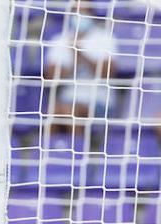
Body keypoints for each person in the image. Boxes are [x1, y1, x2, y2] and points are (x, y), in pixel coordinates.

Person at [46, 0, 115, 139]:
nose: (79, 15)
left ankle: (77, 155)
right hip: (67, 99)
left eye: (84, 11)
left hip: (98, 101)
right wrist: (72, 60)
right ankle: (49, 155)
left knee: (69, 112)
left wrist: (80, 53)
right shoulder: (59, 40)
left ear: (91, 14)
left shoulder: (105, 39)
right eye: (76, 11)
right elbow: (51, 79)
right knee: (53, 114)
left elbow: (108, 74)